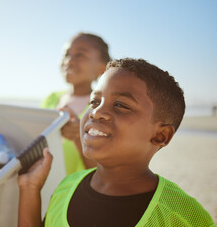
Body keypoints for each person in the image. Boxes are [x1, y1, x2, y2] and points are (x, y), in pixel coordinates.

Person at [18, 58, 215, 226]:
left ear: (161, 136)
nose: (97, 112)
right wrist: (29, 188)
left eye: (121, 105)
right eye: (94, 102)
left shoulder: (182, 215)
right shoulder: (65, 188)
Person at [41, 32, 111, 175]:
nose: (69, 61)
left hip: (71, 192)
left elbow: (100, 172)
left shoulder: (102, 109)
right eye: (66, 54)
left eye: (80, 55)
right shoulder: (51, 99)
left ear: (101, 68)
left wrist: (78, 138)